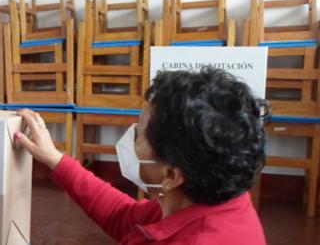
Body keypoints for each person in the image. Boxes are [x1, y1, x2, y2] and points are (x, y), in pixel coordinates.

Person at [15, 67, 268, 244]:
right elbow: (123, 217)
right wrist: (54, 159)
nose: (130, 139)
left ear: (170, 174)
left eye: (139, 135)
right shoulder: (209, 201)